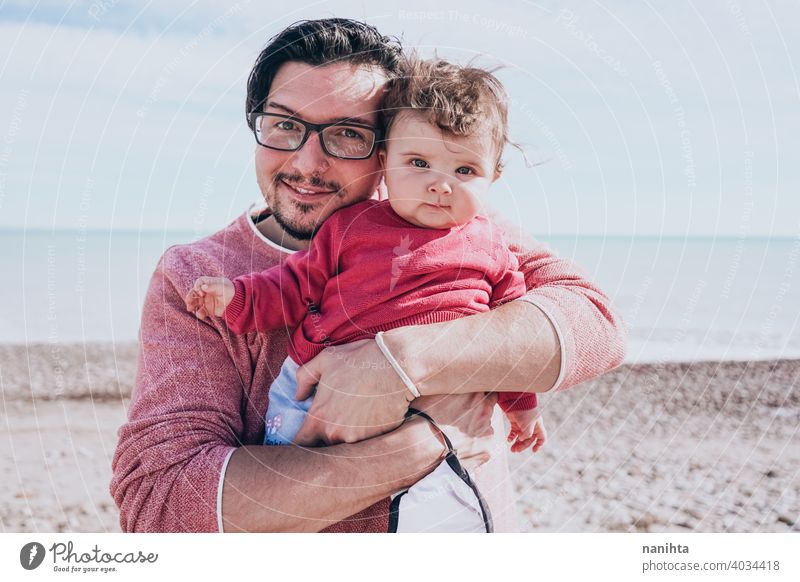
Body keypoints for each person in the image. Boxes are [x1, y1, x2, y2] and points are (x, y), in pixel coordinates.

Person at [110, 18, 626, 533]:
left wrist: (398, 362)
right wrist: (430, 440)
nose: (307, 162)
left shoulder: (460, 227)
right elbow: (162, 506)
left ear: (385, 151)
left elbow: (596, 325)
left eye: (347, 134)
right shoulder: (196, 276)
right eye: (285, 123)